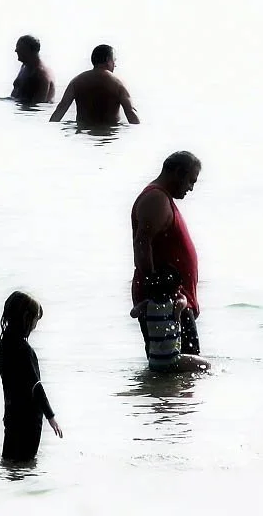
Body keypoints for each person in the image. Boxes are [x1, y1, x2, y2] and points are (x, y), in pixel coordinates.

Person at [130, 151, 208, 371]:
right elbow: (142, 245)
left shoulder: (163, 199)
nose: (190, 188)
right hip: (166, 302)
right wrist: (158, 290)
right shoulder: (156, 199)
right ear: (178, 173)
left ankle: (165, 395)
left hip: (173, 299)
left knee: (177, 372)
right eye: (190, 181)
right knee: (177, 368)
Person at [0, 290, 62, 463]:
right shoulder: (24, 351)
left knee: (9, 461)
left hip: (11, 415)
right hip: (29, 420)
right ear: (26, 319)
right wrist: (51, 416)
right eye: (35, 320)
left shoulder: (4, 347)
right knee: (25, 464)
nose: (35, 326)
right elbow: (36, 386)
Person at [51, 45, 140, 126]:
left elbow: (61, 108)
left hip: (83, 133)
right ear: (108, 60)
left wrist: (49, 130)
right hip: (111, 134)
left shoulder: (77, 81)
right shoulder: (118, 83)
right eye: (114, 60)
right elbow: (131, 112)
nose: (115, 65)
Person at [11, 35, 55, 104]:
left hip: (28, 110)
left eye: (19, 47)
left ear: (28, 50)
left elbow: (39, 105)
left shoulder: (41, 75)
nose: (16, 50)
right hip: (19, 107)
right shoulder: (25, 66)